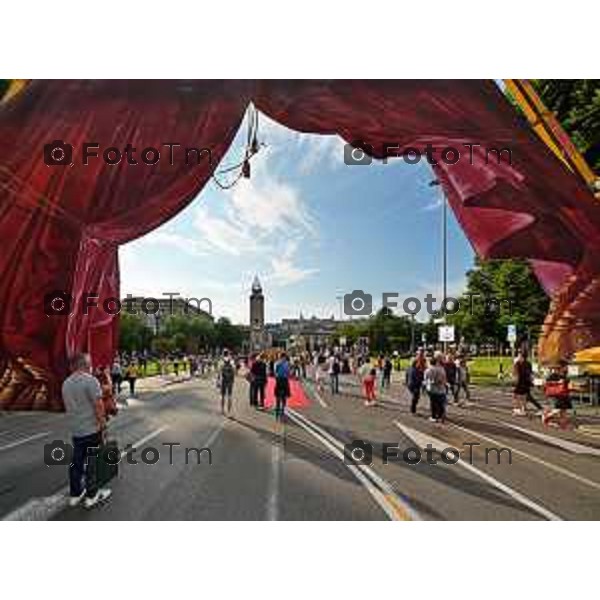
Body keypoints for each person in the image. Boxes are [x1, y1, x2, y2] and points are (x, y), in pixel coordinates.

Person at [62, 353, 112, 509]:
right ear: (83, 364)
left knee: (76, 463)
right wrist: (103, 426)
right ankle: (92, 495)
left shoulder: (66, 383)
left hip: (76, 430)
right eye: (89, 363)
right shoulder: (90, 381)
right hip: (92, 430)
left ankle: (75, 494)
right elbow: (98, 406)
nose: (91, 365)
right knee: (93, 462)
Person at [542, 360, 572, 429]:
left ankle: (563, 425)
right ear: (561, 367)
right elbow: (546, 383)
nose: (567, 368)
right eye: (565, 367)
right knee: (558, 410)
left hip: (565, 395)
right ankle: (547, 416)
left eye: (567, 367)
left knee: (564, 411)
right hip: (556, 395)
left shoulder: (565, 375)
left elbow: (567, 384)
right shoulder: (553, 375)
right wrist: (557, 382)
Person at [424, 352, 448, 423]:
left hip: (432, 389)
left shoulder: (429, 370)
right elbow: (445, 379)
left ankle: (433, 417)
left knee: (433, 403)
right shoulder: (442, 369)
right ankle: (441, 416)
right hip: (442, 389)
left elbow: (426, 379)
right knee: (440, 403)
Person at [512, 351, 533, 416]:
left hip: (520, 382)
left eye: (519, 356)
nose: (518, 357)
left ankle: (517, 408)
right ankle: (523, 409)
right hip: (526, 382)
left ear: (522, 357)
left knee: (516, 395)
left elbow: (516, 374)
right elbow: (530, 373)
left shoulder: (517, 364)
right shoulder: (529, 364)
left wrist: (514, 382)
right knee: (524, 396)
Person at [406, 350, 426, 414]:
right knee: (416, 396)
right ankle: (413, 410)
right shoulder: (414, 369)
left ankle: (413, 409)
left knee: (416, 396)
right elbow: (417, 377)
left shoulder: (421, 363)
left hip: (414, 384)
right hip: (413, 384)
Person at [218, 350, 236, 415]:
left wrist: (218, 380)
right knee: (230, 396)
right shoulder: (232, 361)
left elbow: (219, 371)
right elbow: (234, 370)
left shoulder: (221, 361)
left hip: (223, 380)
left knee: (222, 396)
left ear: (223, 354)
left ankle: (222, 410)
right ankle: (229, 411)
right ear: (228, 354)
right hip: (230, 380)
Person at [274, 352, 291, 420]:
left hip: (279, 380)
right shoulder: (286, 364)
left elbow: (275, 372)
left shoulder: (277, 363)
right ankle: (281, 411)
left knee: (279, 397)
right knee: (283, 397)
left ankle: (278, 412)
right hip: (284, 381)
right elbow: (288, 372)